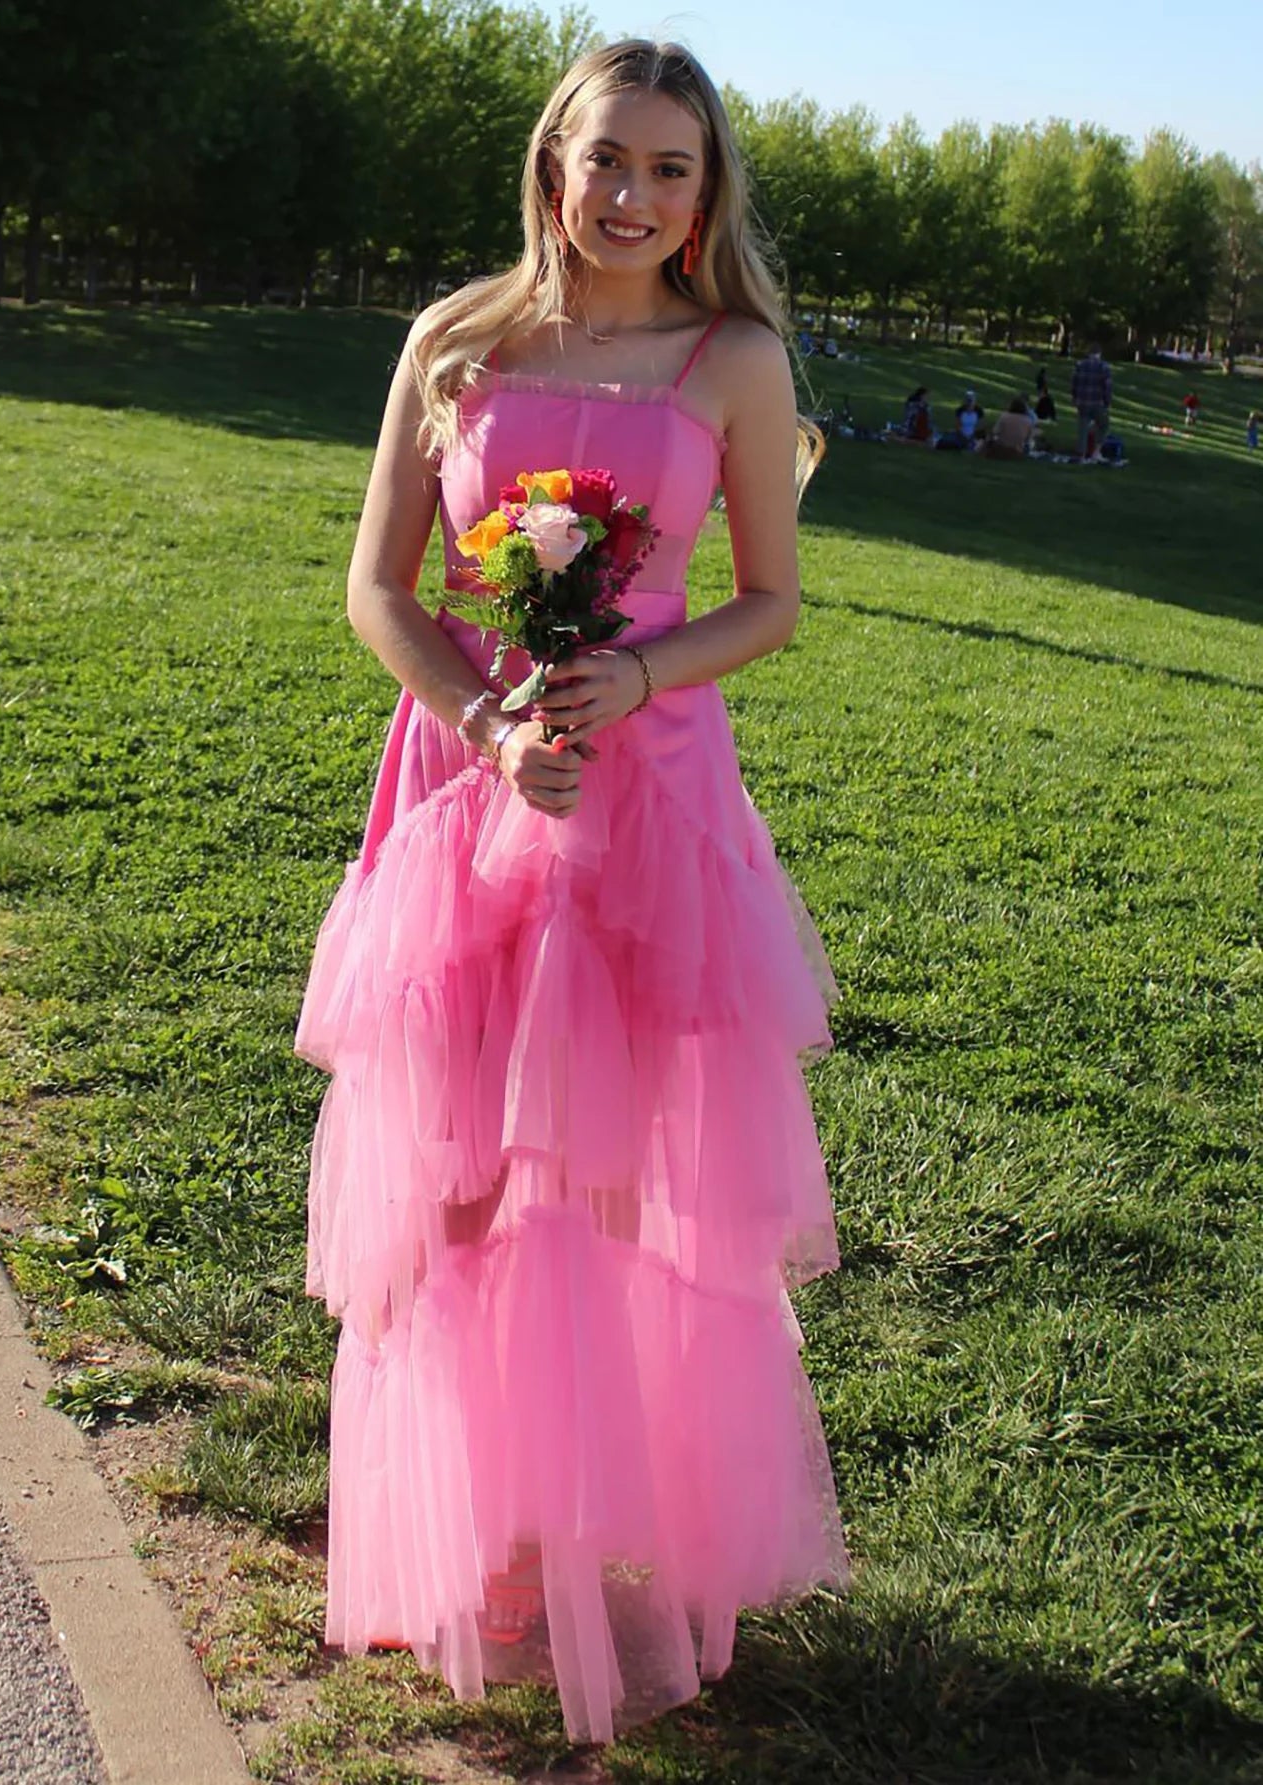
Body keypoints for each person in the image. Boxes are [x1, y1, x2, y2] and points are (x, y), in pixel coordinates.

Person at [293, 38, 849, 1746]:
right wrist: (478, 718)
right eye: (609, 157)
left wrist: (639, 676)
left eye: (672, 169)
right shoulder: (454, 344)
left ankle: (571, 1532)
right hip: (462, 801)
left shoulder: (735, 360)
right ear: (553, 161)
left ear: (707, 194)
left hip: (651, 811)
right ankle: (461, 1523)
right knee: (453, 1183)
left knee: (611, 1183)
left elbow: (769, 599)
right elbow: (379, 589)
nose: (634, 195)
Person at [1071, 342, 1112, 457]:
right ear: (1099, 353)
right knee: (1104, 425)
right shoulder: (1104, 367)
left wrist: (1074, 398)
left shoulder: (1079, 365)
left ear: (1088, 353)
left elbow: (1074, 383)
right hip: (1097, 402)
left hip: (1082, 402)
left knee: (1083, 428)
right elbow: (1107, 387)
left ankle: (1080, 453)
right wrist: (1107, 402)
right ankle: (1096, 451)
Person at [983, 395, 1036, 460]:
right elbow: (1028, 439)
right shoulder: (1028, 421)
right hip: (1017, 452)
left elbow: (994, 432)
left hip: (1001, 449)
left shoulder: (1004, 416)